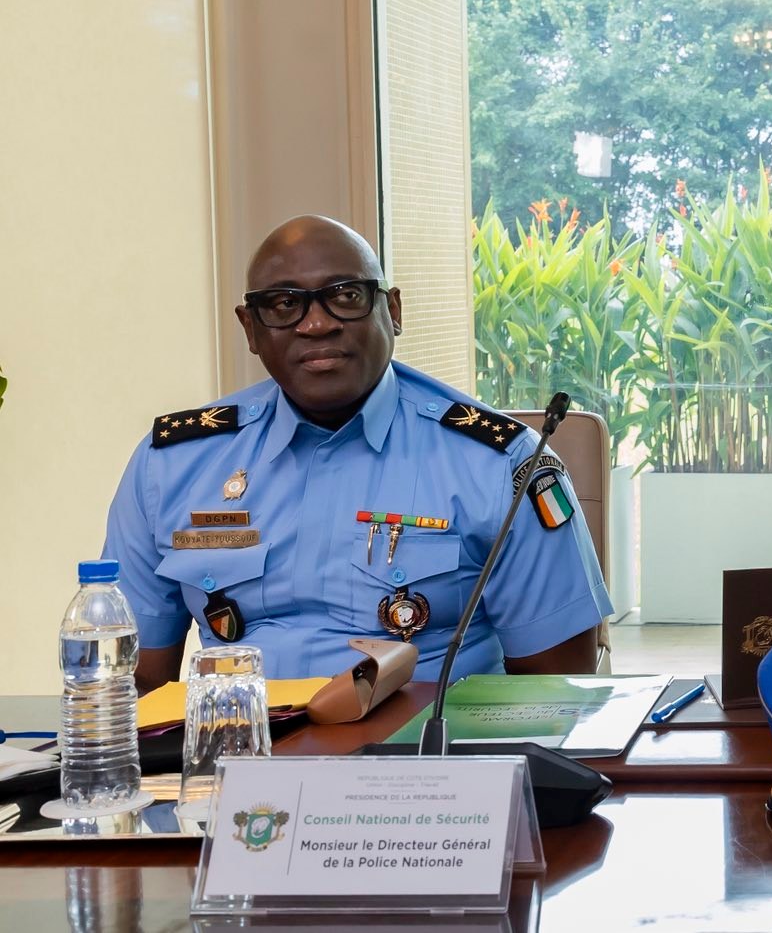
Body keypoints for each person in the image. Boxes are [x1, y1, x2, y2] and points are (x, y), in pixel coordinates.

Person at [103, 216, 611, 693]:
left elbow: (554, 692)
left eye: (345, 296)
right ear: (250, 329)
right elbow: (134, 686)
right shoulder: (172, 464)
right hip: (241, 747)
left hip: (420, 750)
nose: (316, 325)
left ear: (393, 310)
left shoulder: (501, 463)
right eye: (283, 304)